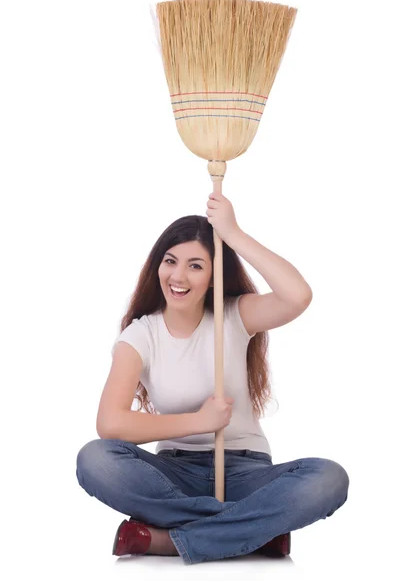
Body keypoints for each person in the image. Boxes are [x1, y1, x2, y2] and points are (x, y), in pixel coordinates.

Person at [76, 192, 349, 566]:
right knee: (95, 459)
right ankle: (251, 530)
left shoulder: (233, 316)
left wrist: (232, 233)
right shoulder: (141, 336)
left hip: (244, 470)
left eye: (195, 266)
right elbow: (110, 423)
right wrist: (198, 422)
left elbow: (298, 296)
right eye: (170, 261)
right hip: (173, 474)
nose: (178, 276)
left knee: (328, 479)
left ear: (213, 275)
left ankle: (169, 542)